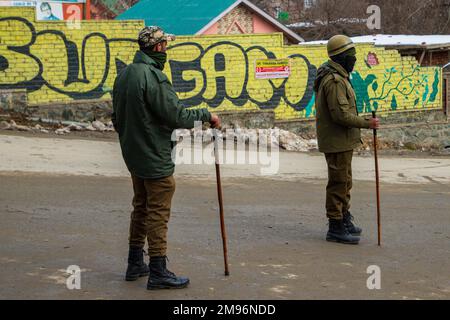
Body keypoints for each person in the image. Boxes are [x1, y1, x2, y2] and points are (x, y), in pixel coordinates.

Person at [112, 26, 220, 290]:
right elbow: (176, 116)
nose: (167, 50)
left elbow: (117, 119)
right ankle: (158, 270)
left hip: (134, 155)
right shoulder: (153, 77)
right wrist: (207, 115)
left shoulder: (124, 75)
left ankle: (135, 262)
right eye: (165, 46)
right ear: (158, 48)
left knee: (141, 206)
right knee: (158, 211)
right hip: (154, 155)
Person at [313, 35, 380, 245]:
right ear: (341, 57)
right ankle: (335, 226)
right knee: (338, 183)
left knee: (345, 182)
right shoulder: (334, 81)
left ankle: (344, 218)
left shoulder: (340, 77)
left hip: (342, 140)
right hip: (336, 141)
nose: (354, 60)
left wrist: (365, 121)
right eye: (351, 56)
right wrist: (367, 123)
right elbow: (340, 116)